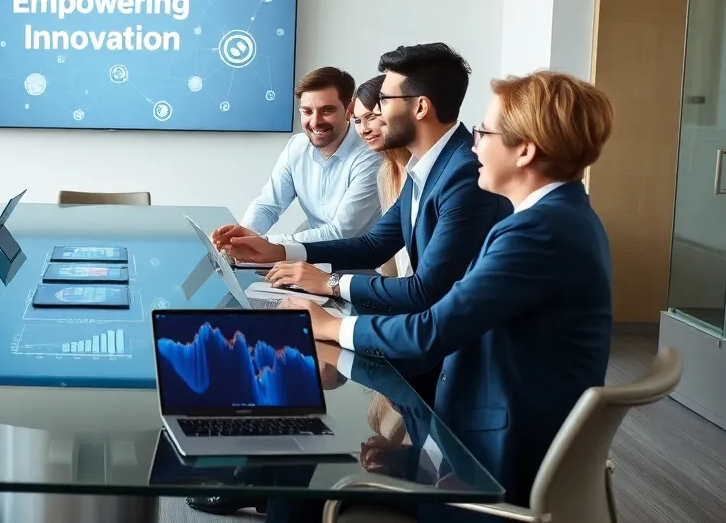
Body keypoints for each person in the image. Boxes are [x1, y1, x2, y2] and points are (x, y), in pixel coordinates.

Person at [264, 70, 615, 523]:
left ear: (526, 151)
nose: (473, 146)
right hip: (488, 441)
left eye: (485, 134)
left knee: (307, 471)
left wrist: (327, 324)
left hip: (490, 478)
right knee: (309, 458)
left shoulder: (538, 233)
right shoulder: (554, 217)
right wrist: (412, 455)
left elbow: (432, 328)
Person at [217, 43, 510, 340]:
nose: (375, 114)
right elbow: (374, 245)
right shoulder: (427, 164)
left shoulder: (464, 173)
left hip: (453, 350)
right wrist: (278, 251)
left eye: (384, 100)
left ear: (420, 107)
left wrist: (329, 283)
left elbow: (425, 290)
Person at [224, 67, 383, 257]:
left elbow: (341, 233)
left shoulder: (371, 156)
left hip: (357, 264)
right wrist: (243, 236)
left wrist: (264, 244)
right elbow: (268, 206)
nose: (315, 122)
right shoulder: (296, 147)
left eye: (327, 110)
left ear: (349, 110)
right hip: (308, 258)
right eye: (307, 111)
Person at [352, 74, 413, 277]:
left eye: (371, 117)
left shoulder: (422, 171)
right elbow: (388, 254)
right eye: (358, 121)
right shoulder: (386, 173)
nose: (364, 130)